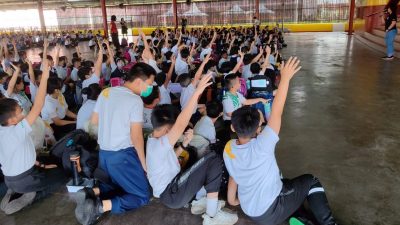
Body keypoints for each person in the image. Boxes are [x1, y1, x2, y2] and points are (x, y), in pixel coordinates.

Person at [224, 57, 338, 225]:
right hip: (270, 210)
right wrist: (285, 79)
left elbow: (234, 175)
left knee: (286, 184)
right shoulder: (263, 144)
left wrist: (232, 200)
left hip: (249, 208)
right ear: (258, 129)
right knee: (311, 181)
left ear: (233, 128)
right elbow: (276, 111)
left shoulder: (229, 148)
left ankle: (300, 219)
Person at [146, 74, 238, 225]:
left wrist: (183, 145)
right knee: (214, 159)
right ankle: (212, 216)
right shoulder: (159, 144)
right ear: (168, 127)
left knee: (200, 157)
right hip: (172, 193)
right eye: (174, 127)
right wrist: (197, 92)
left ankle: (202, 202)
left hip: (171, 190)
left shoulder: (153, 141)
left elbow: (168, 159)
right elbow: (182, 122)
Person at [73, 63, 155, 225]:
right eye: (150, 84)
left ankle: (91, 192)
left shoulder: (106, 92)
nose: (150, 88)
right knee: (142, 195)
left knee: (117, 184)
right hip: (122, 156)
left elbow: (94, 121)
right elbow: (136, 136)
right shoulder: (134, 100)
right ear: (139, 81)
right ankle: (99, 206)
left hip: (104, 154)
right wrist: (144, 165)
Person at [0, 52, 57, 215]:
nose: (23, 114)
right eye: (19, 113)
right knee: (56, 181)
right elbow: (37, 106)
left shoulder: (3, 127)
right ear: (10, 120)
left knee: (45, 168)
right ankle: (25, 198)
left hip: (10, 177)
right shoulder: (16, 131)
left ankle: (12, 191)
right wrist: (44, 77)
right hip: (24, 177)